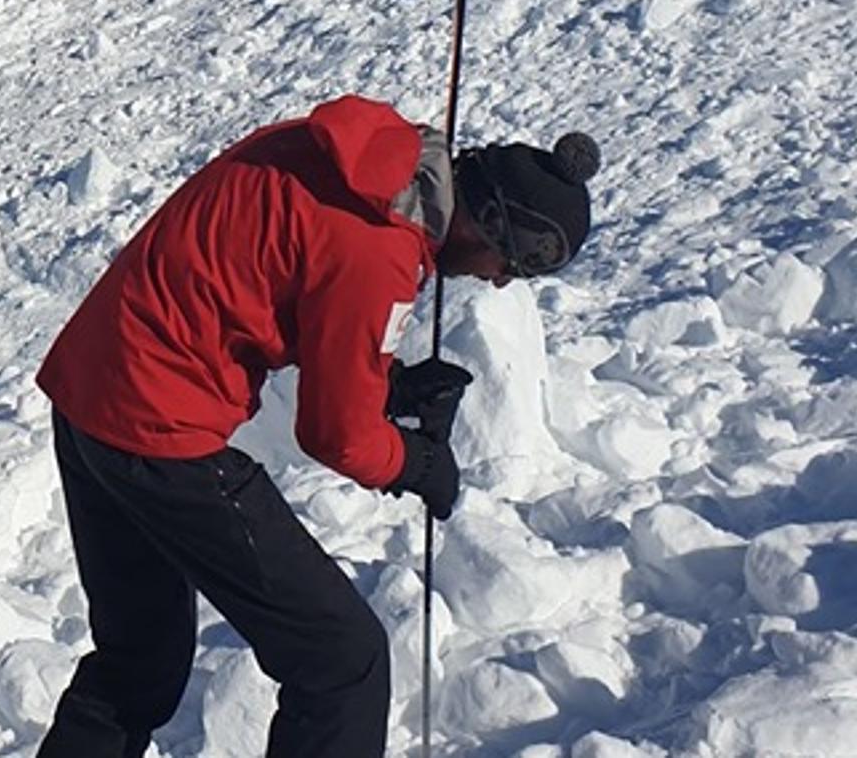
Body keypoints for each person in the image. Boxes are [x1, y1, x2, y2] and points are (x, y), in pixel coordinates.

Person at [33, 94, 601, 757]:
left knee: (139, 663)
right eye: (518, 263)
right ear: (494, 221)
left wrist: (385, 381)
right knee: (343, 663)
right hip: (157, 426)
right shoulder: (382, 244)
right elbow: (336, 434)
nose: (502, 283)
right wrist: (415, 465)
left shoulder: (359, 159)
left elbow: (279, 271)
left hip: (89, 389)